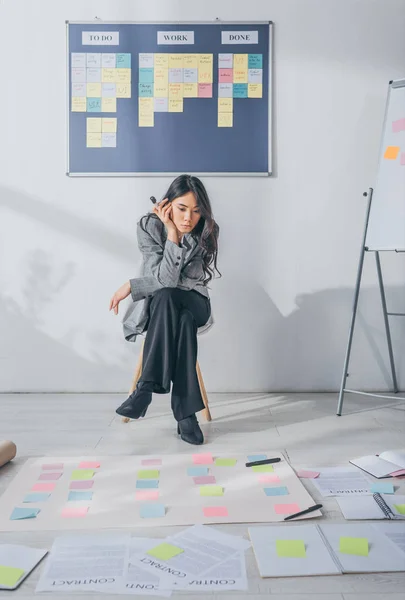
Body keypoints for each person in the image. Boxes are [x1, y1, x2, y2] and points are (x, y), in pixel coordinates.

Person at [109, 174, 220, 445]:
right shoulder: (149, 226)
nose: (188, 219)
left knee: (171, 295)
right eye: (182, 209)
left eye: (196, 211)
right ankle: (186, 415)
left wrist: (131, 286)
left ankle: (144, 389)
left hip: (196, 303)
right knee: (178, 316)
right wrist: (170, 232)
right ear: (167, 205)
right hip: (165, 311)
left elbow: (178, 281)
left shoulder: (207, 230)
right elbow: (165, 281)